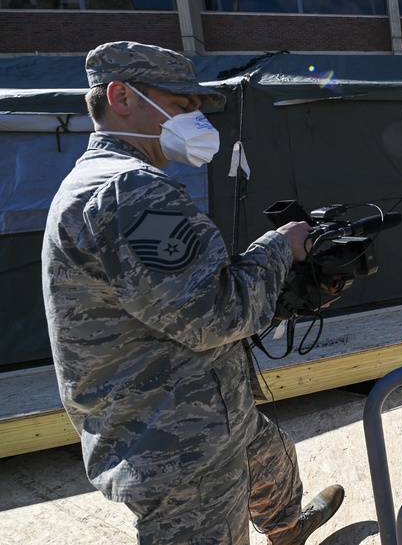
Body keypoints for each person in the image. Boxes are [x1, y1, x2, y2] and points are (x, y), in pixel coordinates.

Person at [42, 41, 344, 545]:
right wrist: (280, 248)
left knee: (271, 457)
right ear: (121, 97)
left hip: (206, 413)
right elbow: (215, 314)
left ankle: (289, 530)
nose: (197, 121)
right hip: (179, 450)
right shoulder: (128, 191)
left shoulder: (105, 183)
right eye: (183, 106)